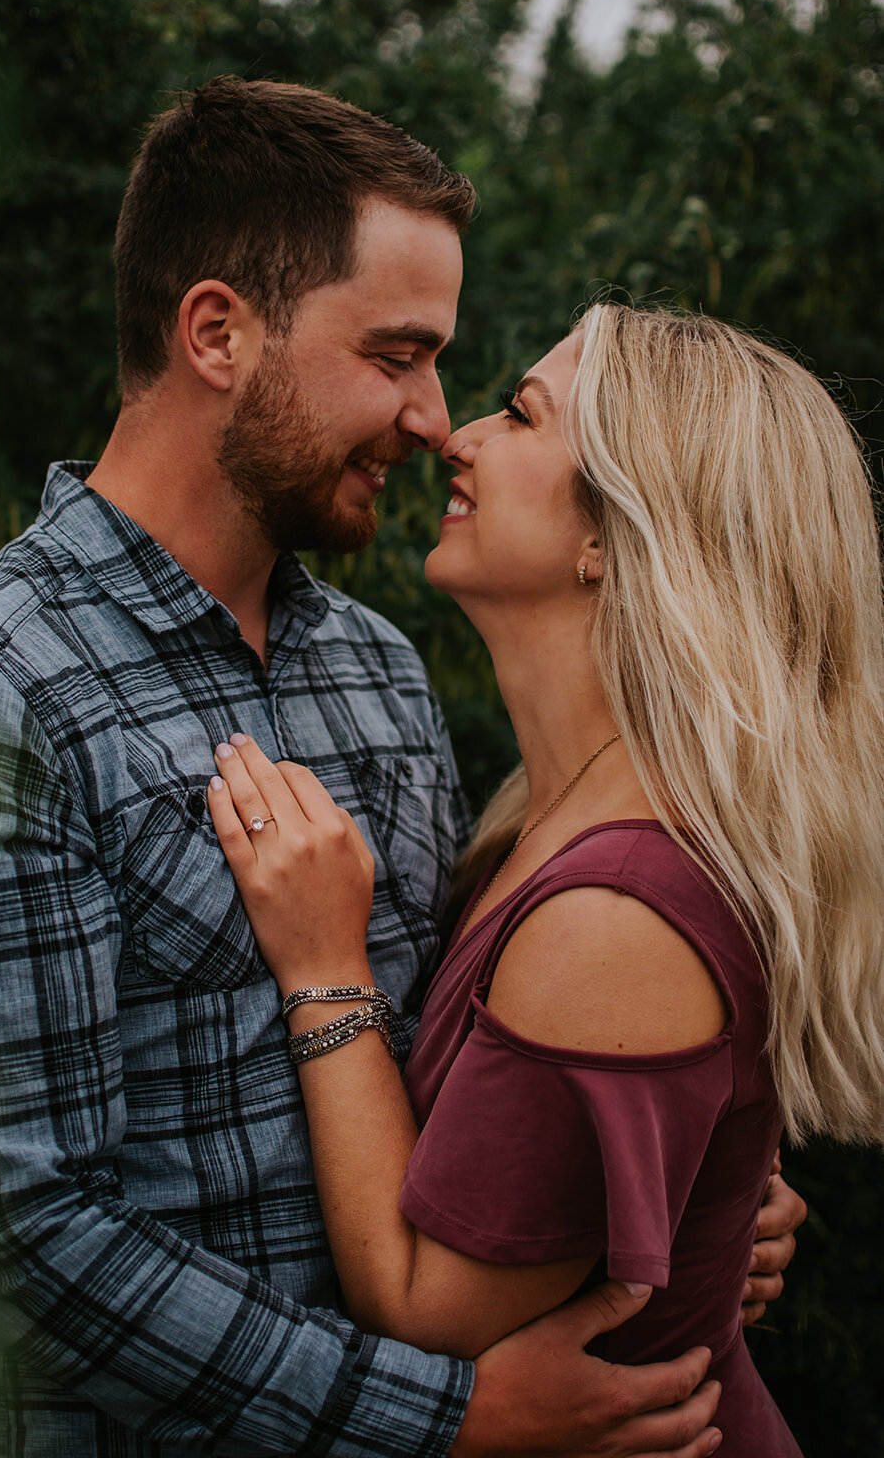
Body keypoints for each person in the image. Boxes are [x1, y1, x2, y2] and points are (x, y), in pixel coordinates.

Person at [0, 80, 802, 1458]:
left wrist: (650, 1193)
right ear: (217, 334)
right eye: (396, 354)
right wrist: (445, 1420)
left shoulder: (374, 670)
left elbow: (443, 1086)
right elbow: (8, 1235)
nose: (432, 419)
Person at [206, 302, 884, 1455]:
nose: (456, 435)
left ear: (613, 538)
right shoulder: (556, 811)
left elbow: (424, 1303)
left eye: (519, 414)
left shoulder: (614, 913)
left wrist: (324, 966)